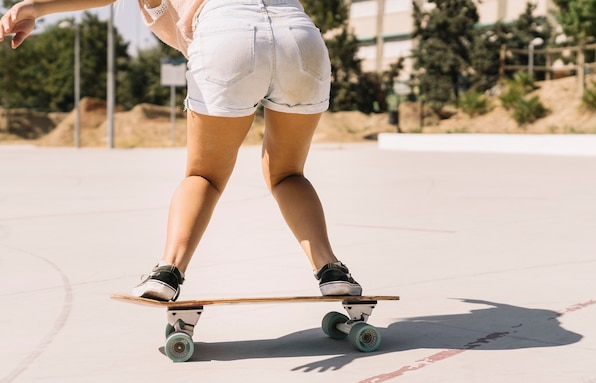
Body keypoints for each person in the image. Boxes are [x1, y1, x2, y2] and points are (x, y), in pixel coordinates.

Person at [0, 0, 362, 301]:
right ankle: (331, 270)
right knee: (288, 173)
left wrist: (36, 6)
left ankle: (168, 272)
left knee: (204, 175)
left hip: (227, 33)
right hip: (300, 36)